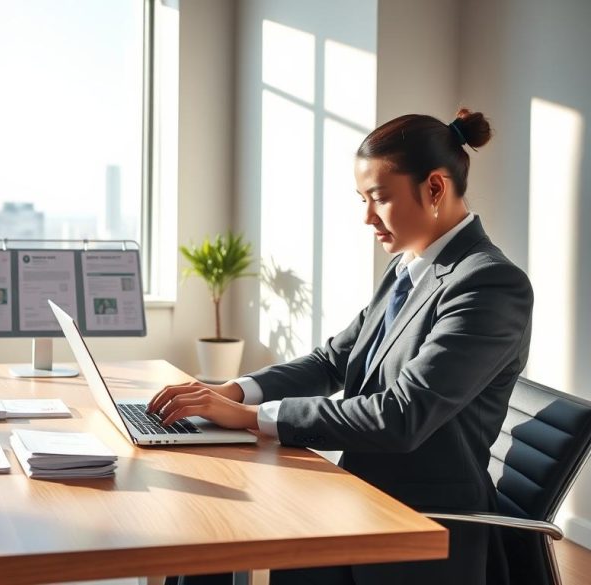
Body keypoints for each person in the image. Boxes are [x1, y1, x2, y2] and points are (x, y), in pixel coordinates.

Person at [149, 109, 533, 585]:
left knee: (221, 530)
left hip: (421, 523)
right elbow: (334, 359)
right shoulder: (407, 269)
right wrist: (235, 391)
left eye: (379, 199)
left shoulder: (489, 284)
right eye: (363, 199)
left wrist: (254, 420)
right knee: (204, 534)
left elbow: (401, 415)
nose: (367, 217)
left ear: (435, 188)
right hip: (361, 496)